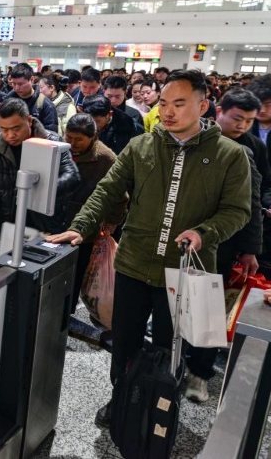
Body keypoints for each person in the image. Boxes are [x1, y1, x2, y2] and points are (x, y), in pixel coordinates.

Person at [46, 69, 252, 428]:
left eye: (179, 103)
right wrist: (80, 228)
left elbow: (237, 212)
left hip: (187, 268)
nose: (168, 111)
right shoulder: (142, 145)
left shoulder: (230, 155)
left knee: (167, 349)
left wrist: (205, 232)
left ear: (203, 106)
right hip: (134, 262)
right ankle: (121, 398)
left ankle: (157, 406)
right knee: (124, 341)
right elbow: (108, 190)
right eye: (164, 102)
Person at [184, 88, 266, 402]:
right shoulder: (195, 136)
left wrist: (250, 250)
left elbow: (254, 200)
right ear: (218, 111)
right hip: (182, 235)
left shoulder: (250, 149)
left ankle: (199, 374)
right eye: (237, 118)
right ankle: (170, 361)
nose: (243, 125)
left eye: (249, 120)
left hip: (221, 242)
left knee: (208, 307)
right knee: (175, 301)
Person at [0, 98, 80, 242]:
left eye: (16, 128)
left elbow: (72, 176)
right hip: (8, 224)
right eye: (4, 129)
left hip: (45, 225)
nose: (10, 135)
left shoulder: (53, 141)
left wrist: (40, 191)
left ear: (29, 121)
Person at [63, 113, 126, 315]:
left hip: (87, 230)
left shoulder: (105, 158)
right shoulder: (60, 149)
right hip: (59, 222)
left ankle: (66, 316)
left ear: (93, 137)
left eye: (78, 140)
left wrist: (111, 223)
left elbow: (120, 195)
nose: (72, 143)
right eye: (69, 138)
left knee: (75, 275)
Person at [4, 63, 59, 132]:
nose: (16, 88)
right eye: (13, 84)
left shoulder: (46, 105)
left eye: (20, 84)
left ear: (32, 80)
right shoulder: (7, 101)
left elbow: (51, 135)